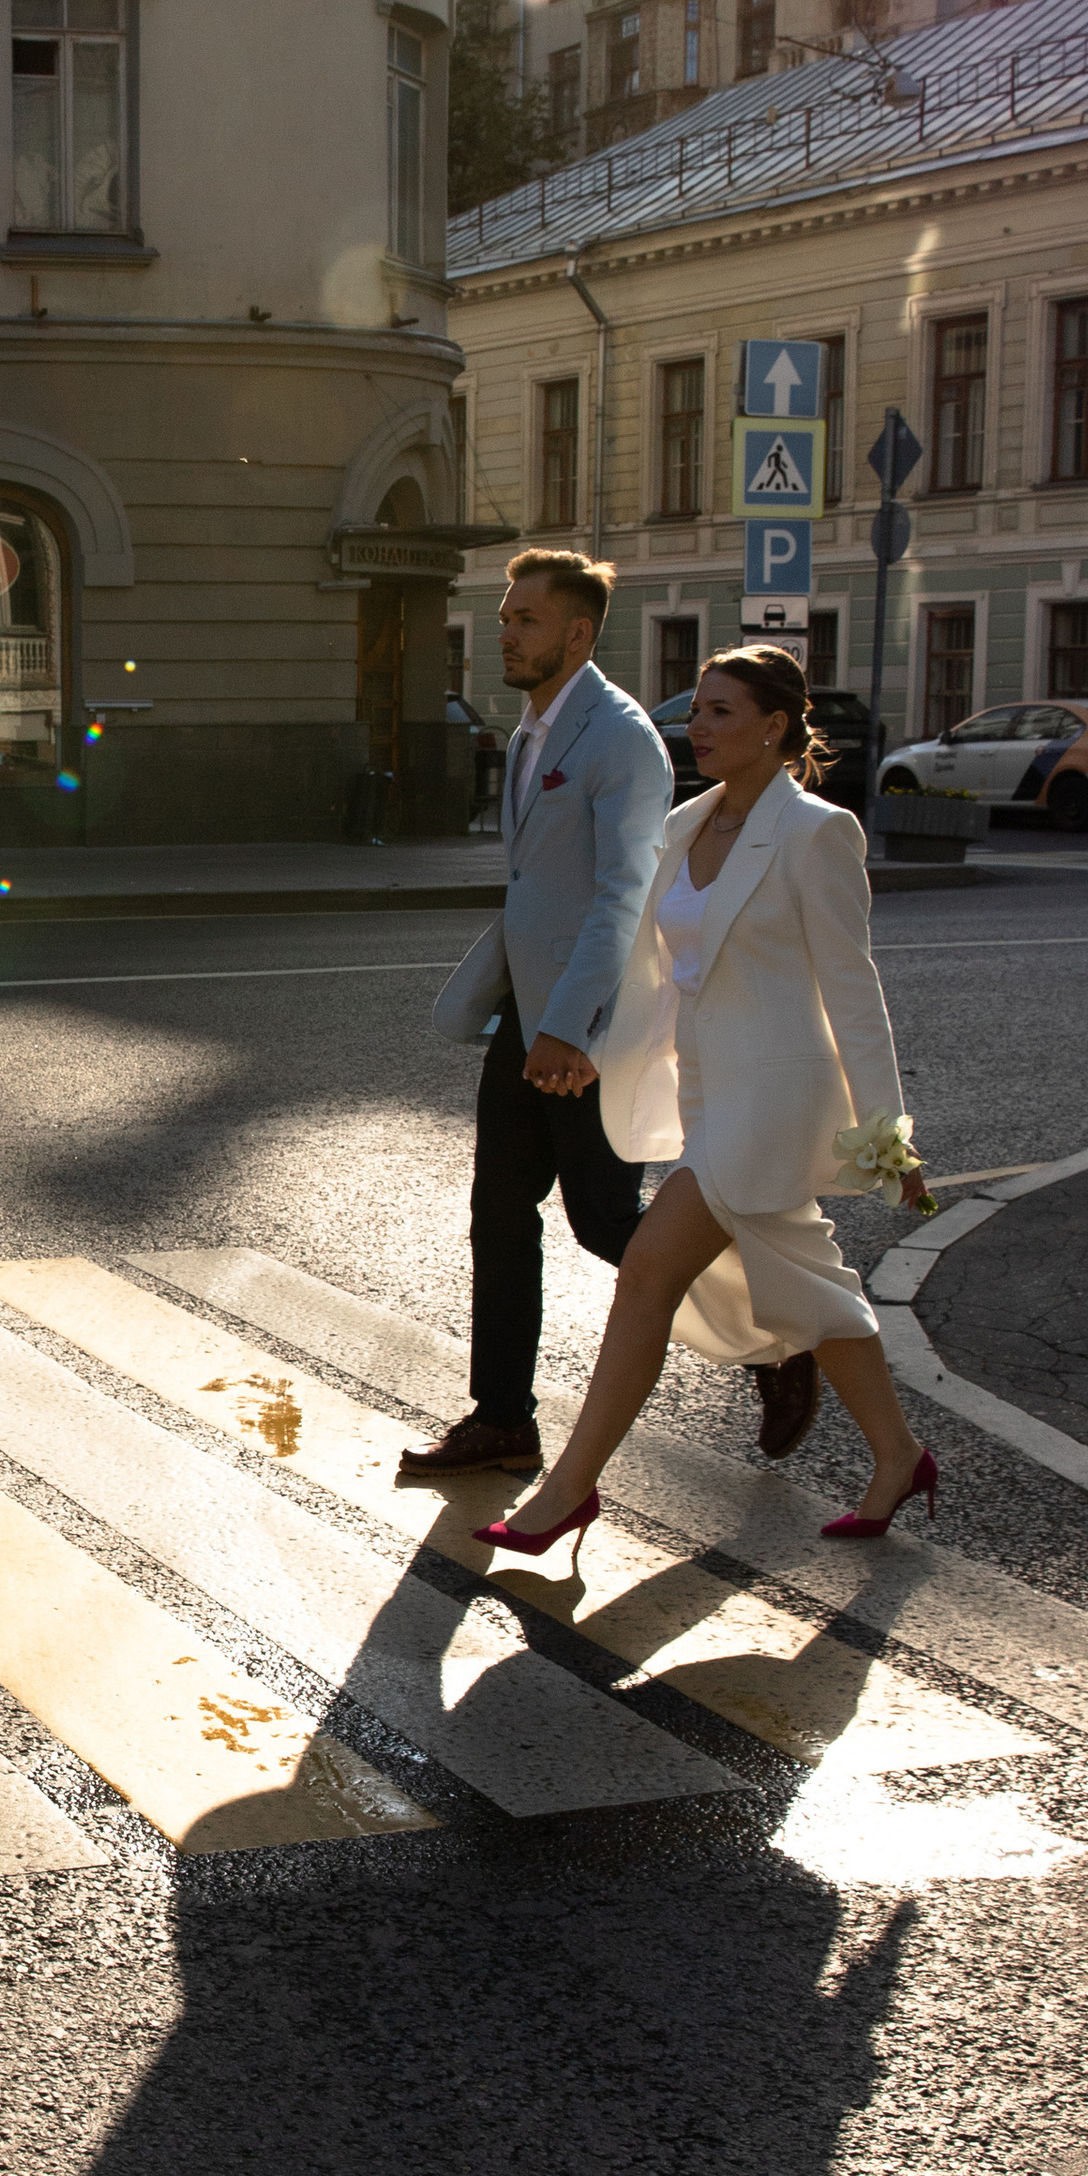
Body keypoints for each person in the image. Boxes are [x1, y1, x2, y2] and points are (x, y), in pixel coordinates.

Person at [476, 644, 940, 1560]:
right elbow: (660, 977)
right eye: (697, 712)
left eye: (723, 712)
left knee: (648, 1268)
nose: (701, 726)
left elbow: (855, 991)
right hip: (706, 1099)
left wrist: (888, 1137)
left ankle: (567, 1489)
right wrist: (592, 1051)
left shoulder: (815, 833)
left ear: (775, 724)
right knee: (813, 1291)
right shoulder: (688, 826)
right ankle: (899, 1457)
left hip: (776, 1101)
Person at [407, 549, 685, 1484]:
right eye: (506, 616)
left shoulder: (620, 738)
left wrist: (568, 1027)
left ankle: (777, 1340)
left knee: (608, 1224)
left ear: (577, 632)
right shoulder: (533, 729)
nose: (506, 631)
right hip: (532, 1016)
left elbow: (622, 900)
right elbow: (537, 887)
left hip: (588, 1025)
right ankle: (501, 1420)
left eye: (525, 618)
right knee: (500, 1213)